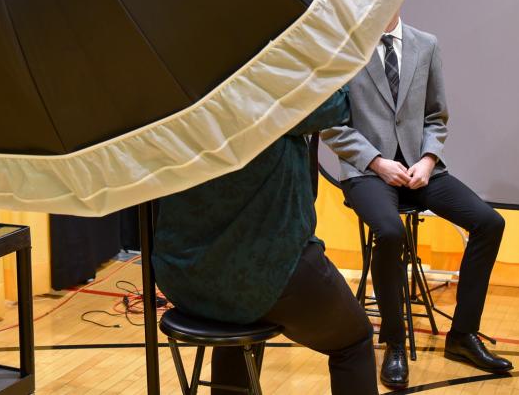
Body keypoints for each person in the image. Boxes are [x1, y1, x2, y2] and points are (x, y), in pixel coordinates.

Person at [323, 11, 512, 390]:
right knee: (390, 232)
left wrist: (428, 160)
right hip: (366, 171)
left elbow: (436, 116)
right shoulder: (345, 47)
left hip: (421, 169)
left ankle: (462, 335)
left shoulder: (426, 44)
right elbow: (331, 124)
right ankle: (394, 342)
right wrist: (376, 162)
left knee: (490, 223)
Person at [153, 88, 378, 395]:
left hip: (183, 275)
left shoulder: (180, 81)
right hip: (268, 275)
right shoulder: (267, 77)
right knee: (354, 341)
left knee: (235, 314)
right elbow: (335, 106)